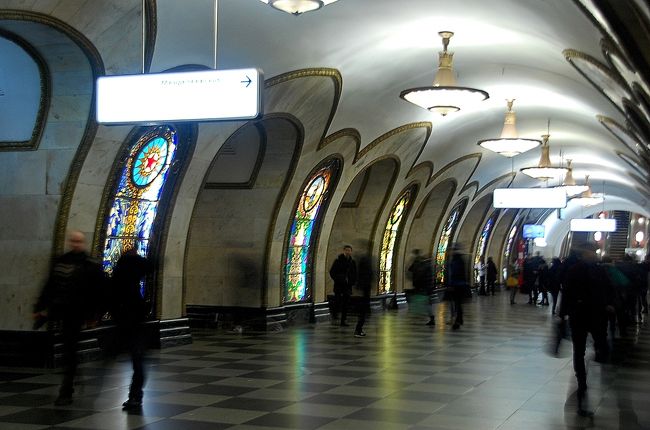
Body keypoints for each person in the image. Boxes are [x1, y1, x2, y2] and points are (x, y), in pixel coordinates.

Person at [33, 230, 105, 406]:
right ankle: (71, 378)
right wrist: (40, 307)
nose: (75, 244)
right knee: (68, 348)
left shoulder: (91, 265)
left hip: (77, 313)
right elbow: (50, 284)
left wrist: (95, 315)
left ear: (83, 243)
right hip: (61, 311)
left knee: (70, 348)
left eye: (78, 241)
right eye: (73, 241)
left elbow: (99, 293)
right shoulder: (61, 261)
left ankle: (66, 389)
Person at [559, 243, 615, 416]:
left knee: (581, 350)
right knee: (583, 349)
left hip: (583, 316)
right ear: (585, 253)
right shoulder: (592, 270)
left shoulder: (584, 270)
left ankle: (583, 377)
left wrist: (563, 313)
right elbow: (568, 292)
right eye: (593, 252)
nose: (595, 254)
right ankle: (582, 381)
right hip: (589, 315)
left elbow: (567, 292)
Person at [110, 247, 154, 410]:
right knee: (138, 359)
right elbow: (153, 263)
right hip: (135, 320)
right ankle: (135, 395)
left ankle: (135, 395)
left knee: (131, 358)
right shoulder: (136, 270)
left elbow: (111, 296)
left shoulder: (119, 271)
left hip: (122, 321)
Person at [329, 245, 357, 327]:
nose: (348, 252)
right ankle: (335, 314)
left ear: (351, 251)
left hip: (347, 286)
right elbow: (332, 272)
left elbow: (355, 273)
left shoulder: (352, 262)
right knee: (337, 301)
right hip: (339, 285)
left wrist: (352, 281)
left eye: (349, 250)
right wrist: (339, 278)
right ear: (344, 251)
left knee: (346, 303)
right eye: (346, 250)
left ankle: (343, 320)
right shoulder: (338, 261)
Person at [408, 249, 435, 325]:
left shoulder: (424, 265)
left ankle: (430, 317)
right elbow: (411, 269)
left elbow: (418, 274)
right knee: (426, 302)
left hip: (424, 286)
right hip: (426, 286)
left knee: (425, 302)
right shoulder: (426, 264)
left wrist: (416, 283)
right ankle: (430, 317)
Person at [447, 243, 469, 330]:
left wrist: (451, 284)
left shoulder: (455, 260)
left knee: (456, 304)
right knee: (458, 304)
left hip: (456, 285)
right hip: (460, 285)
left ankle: (457, 321)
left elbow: (454, 273)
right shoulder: (460, 259)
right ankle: (458, 320)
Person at [354, 254, 372, 337]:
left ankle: (358, 330)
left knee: (362, 313)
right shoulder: (366, 276)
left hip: (360, 296)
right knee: (362, 313)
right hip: (364, 295)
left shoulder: (360, 274)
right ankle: (358, 330)